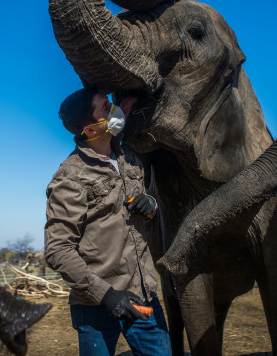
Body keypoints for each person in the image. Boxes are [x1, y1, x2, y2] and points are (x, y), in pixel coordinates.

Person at [44, 87, 171, 356]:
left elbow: (142, 214)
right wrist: (107, 295)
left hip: (143, 295)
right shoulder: (69, 177)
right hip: (96, 306)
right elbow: (58, 250)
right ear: (90, 130)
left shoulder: (130, 158)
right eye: (105, 108)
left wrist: (151, 205)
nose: (114, 110)